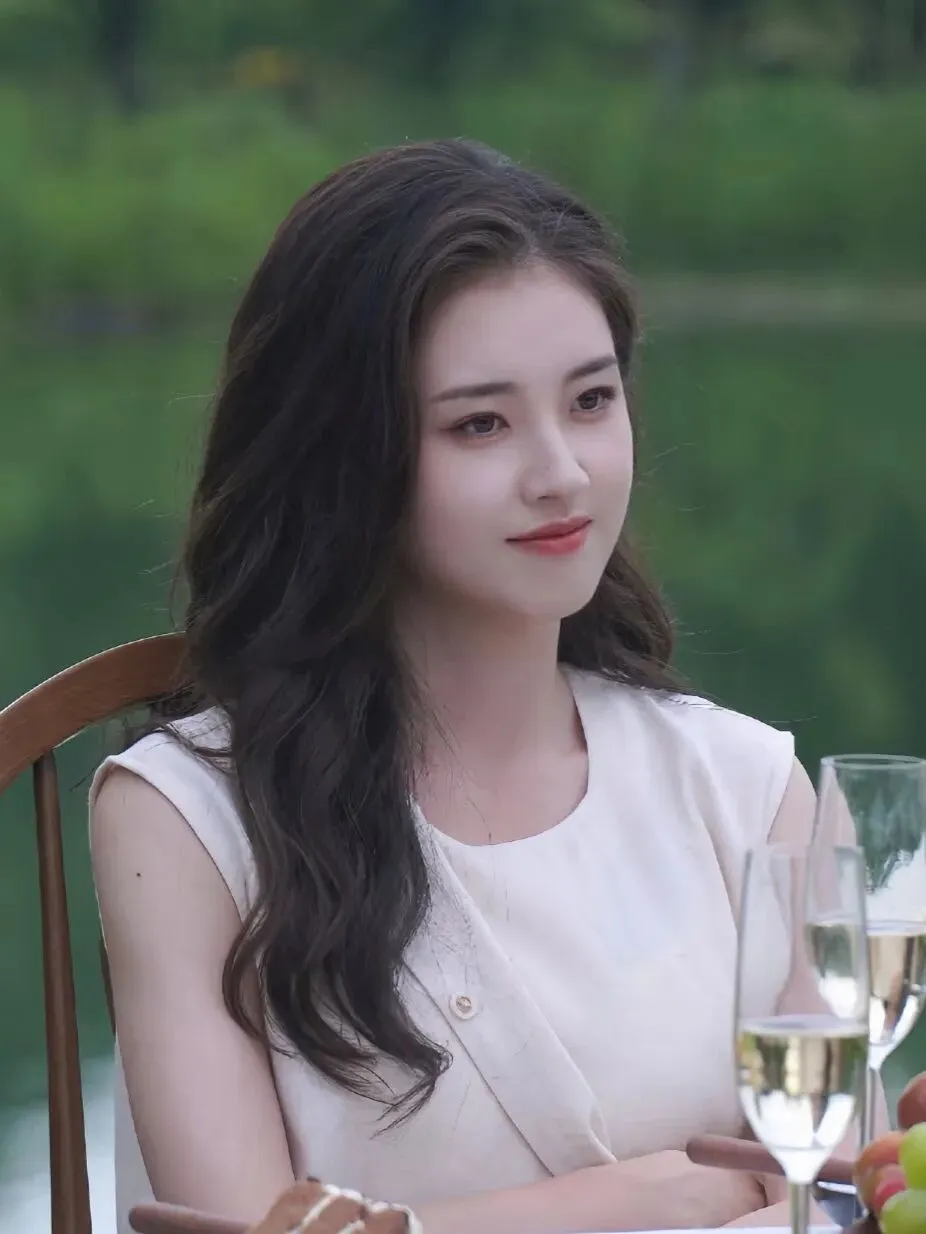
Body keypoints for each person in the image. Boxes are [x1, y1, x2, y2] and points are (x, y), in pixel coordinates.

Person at [92, 138, 820, 1234]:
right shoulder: (190, 815)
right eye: (479, 423)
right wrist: (645, 1193)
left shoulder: (743, 788)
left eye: (591, 399)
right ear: (343, 453)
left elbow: (839, 1192)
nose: (561, 472)